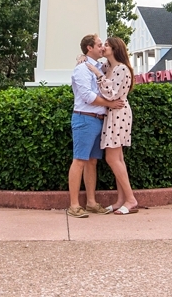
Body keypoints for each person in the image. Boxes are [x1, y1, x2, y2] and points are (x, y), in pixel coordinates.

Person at [67, 34, 123, 219]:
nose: (102, 47)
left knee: (92, 162)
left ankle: (91, 203)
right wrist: (110, 104)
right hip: (85, 119)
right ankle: (74, 205)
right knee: (79, 160)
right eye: (99, 45)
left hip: (99, 119)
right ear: (89, 48)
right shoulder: (82, 69)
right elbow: (87, 96)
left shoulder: (101, 67)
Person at [84, 36, 138, 215]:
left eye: (106, 45)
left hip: (118, 113)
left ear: (114, 49)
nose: (103, 48)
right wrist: (83, 59)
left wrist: (98, 75)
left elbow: (112, 94)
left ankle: (130, 199)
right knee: (118, 159)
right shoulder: (109, 67)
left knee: (112, 158)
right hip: (112, 113)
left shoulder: (121, 69)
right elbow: (94, 66)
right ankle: (121, 200)